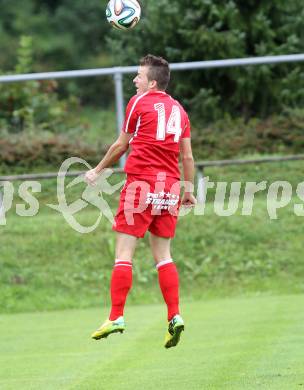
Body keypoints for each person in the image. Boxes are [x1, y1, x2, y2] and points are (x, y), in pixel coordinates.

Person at [85, 54, 196, 349]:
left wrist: (97, 170)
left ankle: (116, 316)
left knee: (124, 254)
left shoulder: (139, 102)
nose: (135, 80)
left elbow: (122, 144)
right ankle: (174, 315)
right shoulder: (180, 111)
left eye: (139, 76)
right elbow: (187, 156)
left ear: (152, 82)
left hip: (141, 186)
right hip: (170, 187)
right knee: (164, 256)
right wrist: (188, 190)